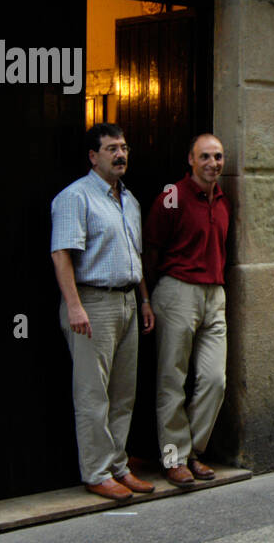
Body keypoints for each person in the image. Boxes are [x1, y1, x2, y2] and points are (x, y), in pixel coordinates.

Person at [50, 124, 156, 501]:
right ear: (94, 157)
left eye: (124, 147)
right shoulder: (74, 198)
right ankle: (96, 471)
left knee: (123, 393)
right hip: (92, 303)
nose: (120, 154)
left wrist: (144, 299)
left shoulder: (131, 201)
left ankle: (119, 465)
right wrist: (75, 306)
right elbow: (61, 254)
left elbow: (137, 256)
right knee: (93, 394)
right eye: (112, 148)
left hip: (127, 300)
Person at [144, 134, 231, 486]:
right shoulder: (172, 196)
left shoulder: (223, 200)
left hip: (215, 293)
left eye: (219, 156)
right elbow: (150, 248)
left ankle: (190, 451)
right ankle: (173, 458)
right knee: (171, 379)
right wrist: (150, 295)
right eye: (206, 157)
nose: (213, 163)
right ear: (191, 161)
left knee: (215, 380)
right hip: (177, 291)